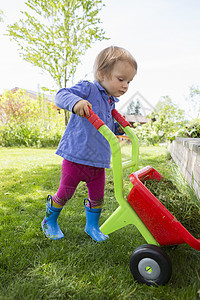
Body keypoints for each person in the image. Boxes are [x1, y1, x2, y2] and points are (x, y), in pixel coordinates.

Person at [41, 46, 137, 242]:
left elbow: (106, 127)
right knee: (65, 193)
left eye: (129, 81)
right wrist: (76, 103)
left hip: (98, 162)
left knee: (98, 197)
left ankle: (92, 226)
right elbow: (60, 95)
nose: (126, 85)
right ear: (102, 74)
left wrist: (121, 128)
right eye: (121, 79)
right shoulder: (88, 89)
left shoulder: (111, 102)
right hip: (76, 157)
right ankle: (49, 221)